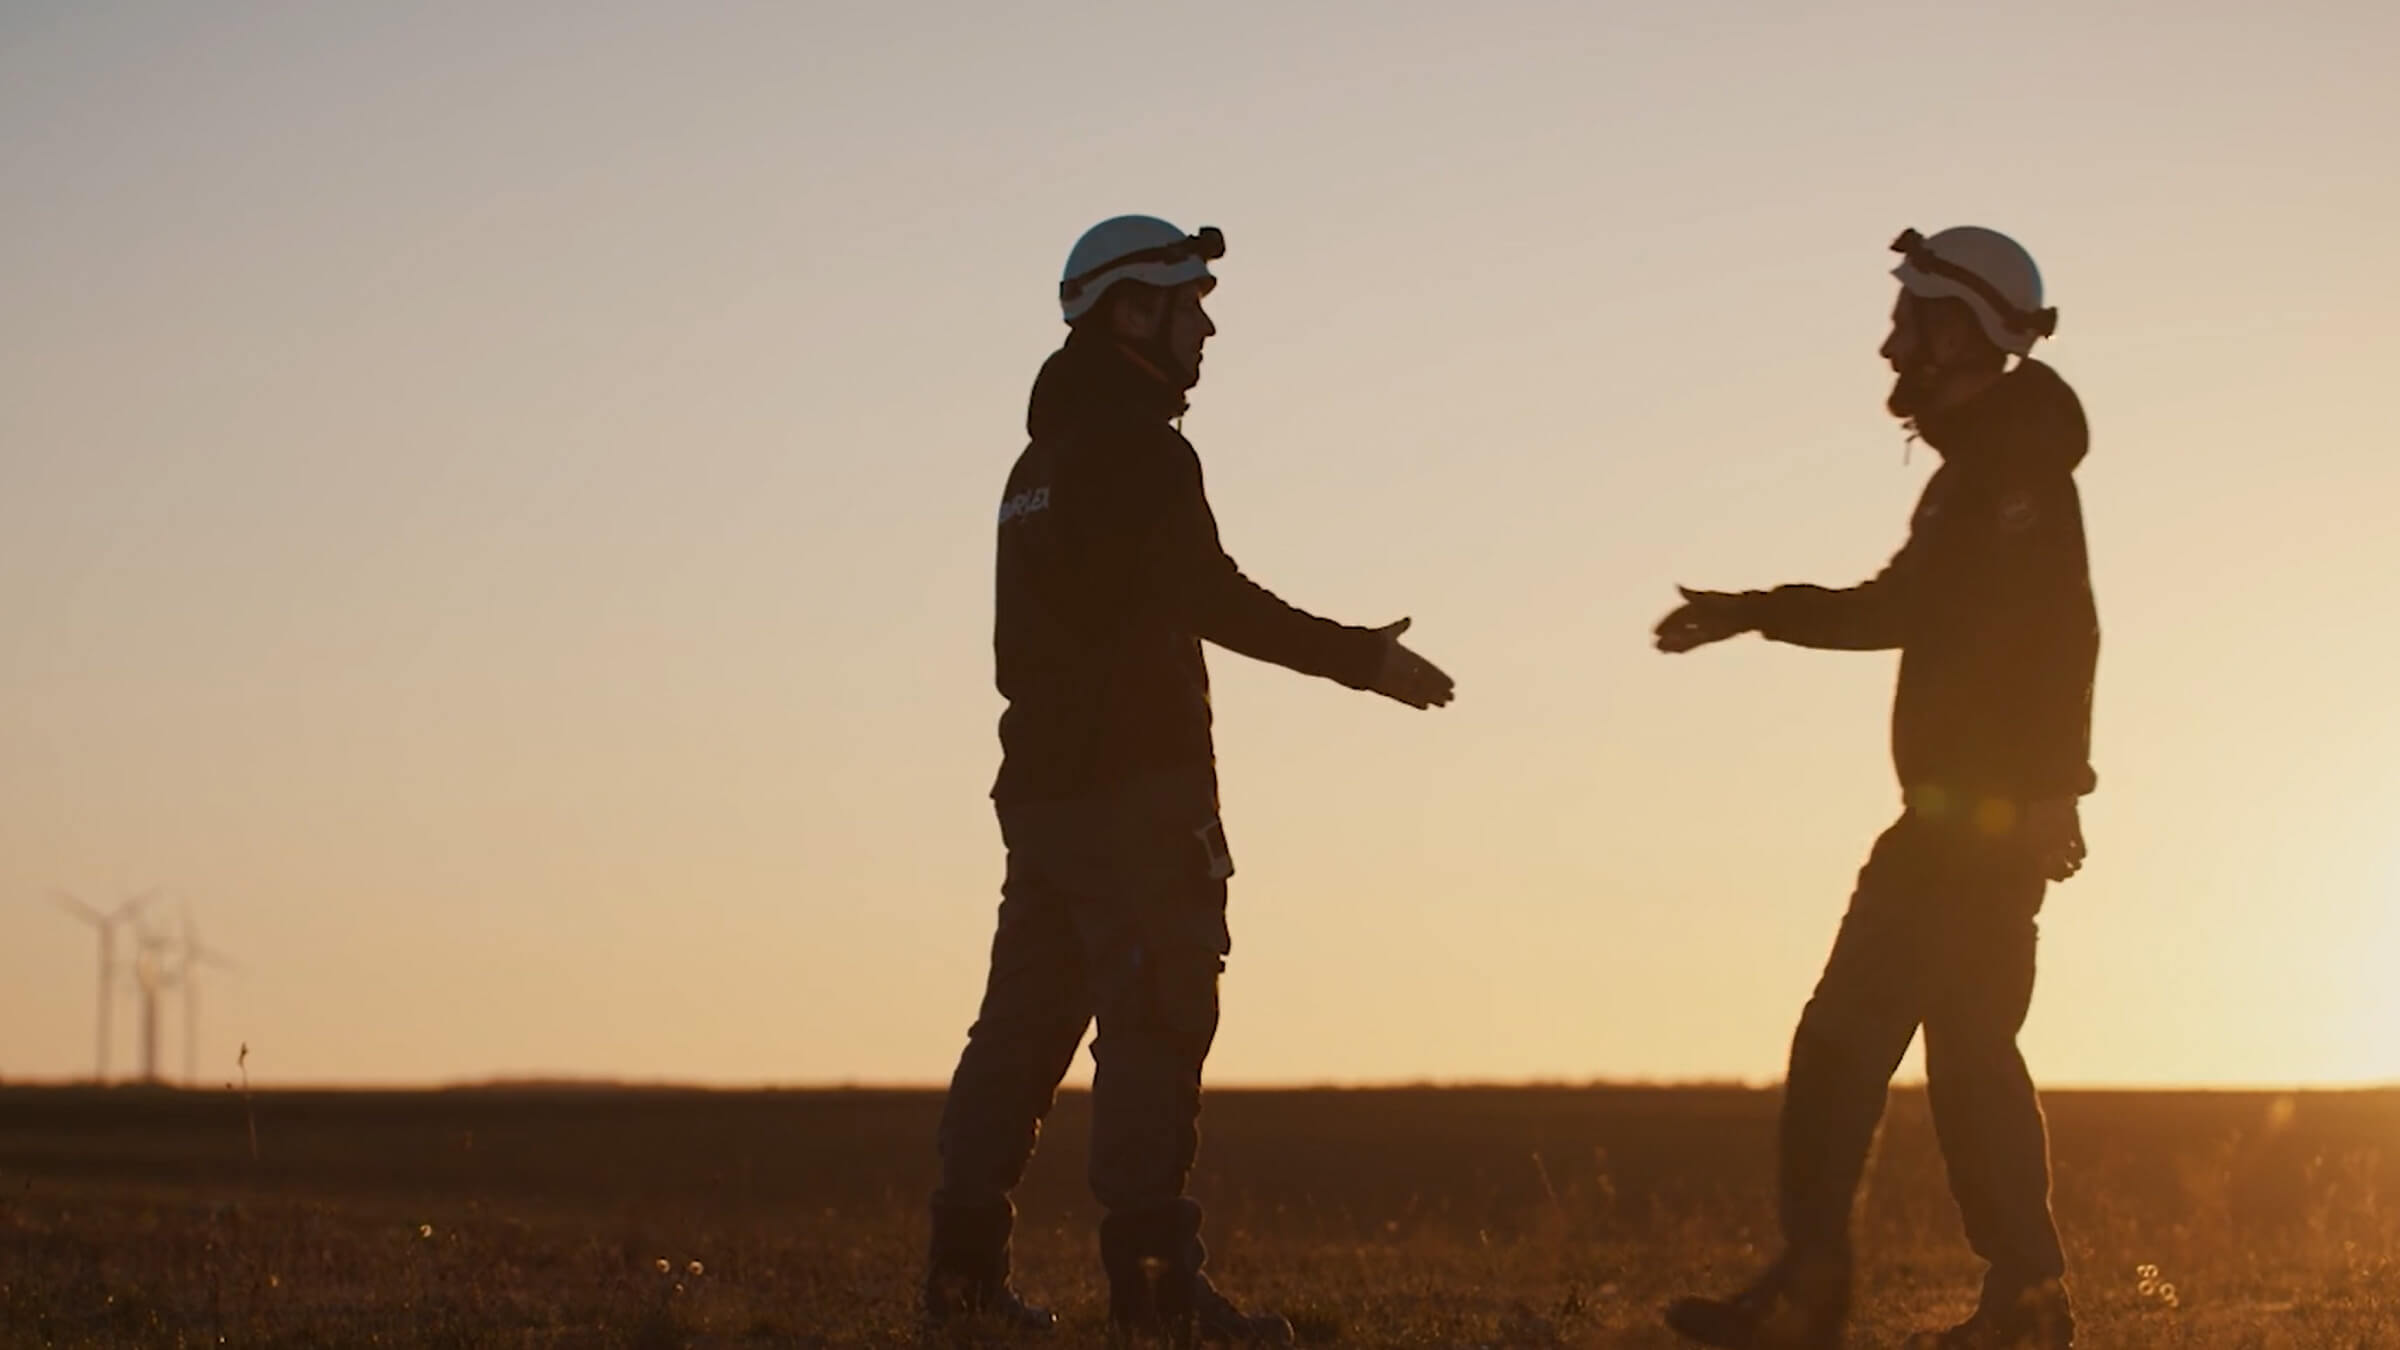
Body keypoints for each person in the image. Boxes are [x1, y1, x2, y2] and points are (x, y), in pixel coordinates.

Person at [924, 214, 1457, 1342]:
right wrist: (1360, 657)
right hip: (1136, 800)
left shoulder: (1039, 465)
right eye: (1185, 305)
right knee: (1156, 1022)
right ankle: (1157, 1295)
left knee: (1016, 1034)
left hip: (1044, 800)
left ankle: (962, 1288)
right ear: (1129, 313)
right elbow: (1210, 598)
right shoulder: (1142, 452)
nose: (1204, 326)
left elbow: (1026, 646)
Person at [1654, 227, 2099, 1350]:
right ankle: (1983, 1296)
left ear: (1965, 330)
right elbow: (1899, 608)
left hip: (1980, 827)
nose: (1892, 344)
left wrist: (2054, 787)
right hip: (1955, 820)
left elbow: (2066, 633)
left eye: (1914, 321)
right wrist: (1759, 608)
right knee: (1928, 1054)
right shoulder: (1979, 471)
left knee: (1899, 1050)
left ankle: (1979, 1299)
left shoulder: (2014, 474)